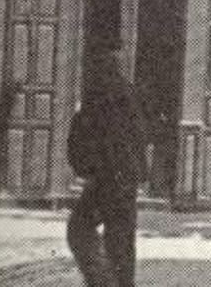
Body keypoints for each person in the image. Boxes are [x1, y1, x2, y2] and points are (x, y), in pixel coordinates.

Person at [67, 44, 146, 287]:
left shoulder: (98, 95)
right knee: (121, 241)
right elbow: (140, 134)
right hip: (125, 179)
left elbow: (81, 134)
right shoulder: (129, 93)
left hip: (106, 179)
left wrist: (85, 168)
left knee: (79, 230)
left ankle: (103, 282)